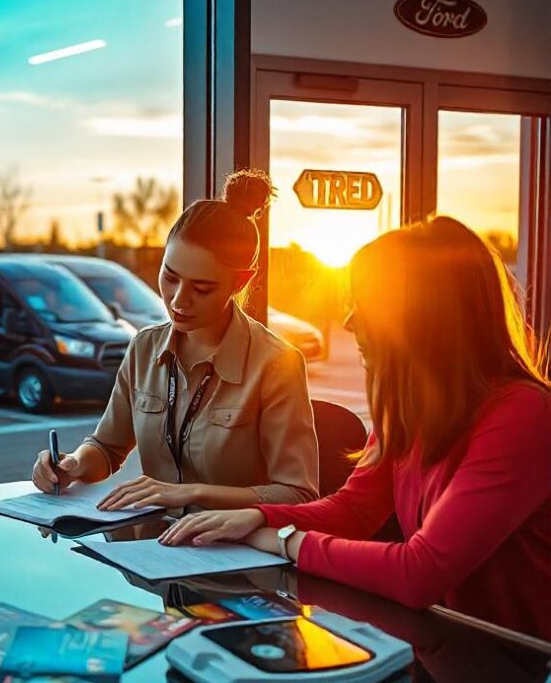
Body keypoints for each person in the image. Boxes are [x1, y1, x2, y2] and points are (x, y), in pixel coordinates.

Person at [158, 217, 551, 640]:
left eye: (365, 306)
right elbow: (354, 511)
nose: (348, 322)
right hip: (441, 644)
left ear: (422, 316)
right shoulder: (411, 409)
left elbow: (420, 573)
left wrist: (284, 539)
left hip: (516, 657)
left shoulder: (523, 414)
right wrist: (254, 516)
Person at [33, 170, 319, 510]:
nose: (179, 300)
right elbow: (107, 448)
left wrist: (192, 493)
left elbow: (298, 494)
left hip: (231, 551)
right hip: (153, 545)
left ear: (240, 283)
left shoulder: (275, 364)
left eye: (202, 288)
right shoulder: (144, 347)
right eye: (170, 277)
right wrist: (74, 465)